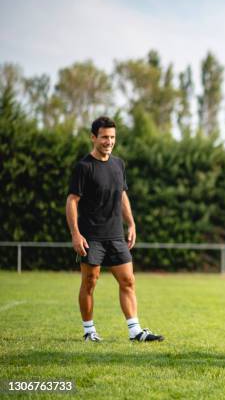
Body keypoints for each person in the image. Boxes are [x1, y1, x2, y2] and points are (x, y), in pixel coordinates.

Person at [66, 116, 163, 343]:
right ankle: (89, 331)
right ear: (93, 137)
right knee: (90, 282)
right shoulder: (84, 167)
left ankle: (135, 331)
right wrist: (75, 233)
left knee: (128, 281)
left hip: (115, 234)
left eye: (112, 137)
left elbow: (122, 194)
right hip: (91, 236)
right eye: (104, 137)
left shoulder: (119, 164)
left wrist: (131, 223)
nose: (109, 141)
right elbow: (72, 200)